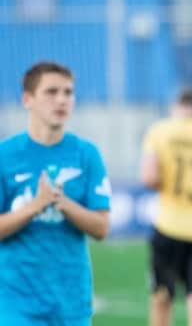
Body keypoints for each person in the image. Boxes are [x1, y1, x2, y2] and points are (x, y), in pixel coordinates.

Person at [0, 61, 111, 326]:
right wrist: (34, 206)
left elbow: (101, 228)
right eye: (51, 92)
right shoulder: (5, 155)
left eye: (68, 92)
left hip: (71, 302)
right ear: (27, 99)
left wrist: (63, 203)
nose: (62, 100)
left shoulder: (86, 154)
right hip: (16, 303)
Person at [140, 87, 192, 326]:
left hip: (169, 224)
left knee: (162, 299)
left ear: (176, 105)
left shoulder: (160, 130)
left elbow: (149, 177)